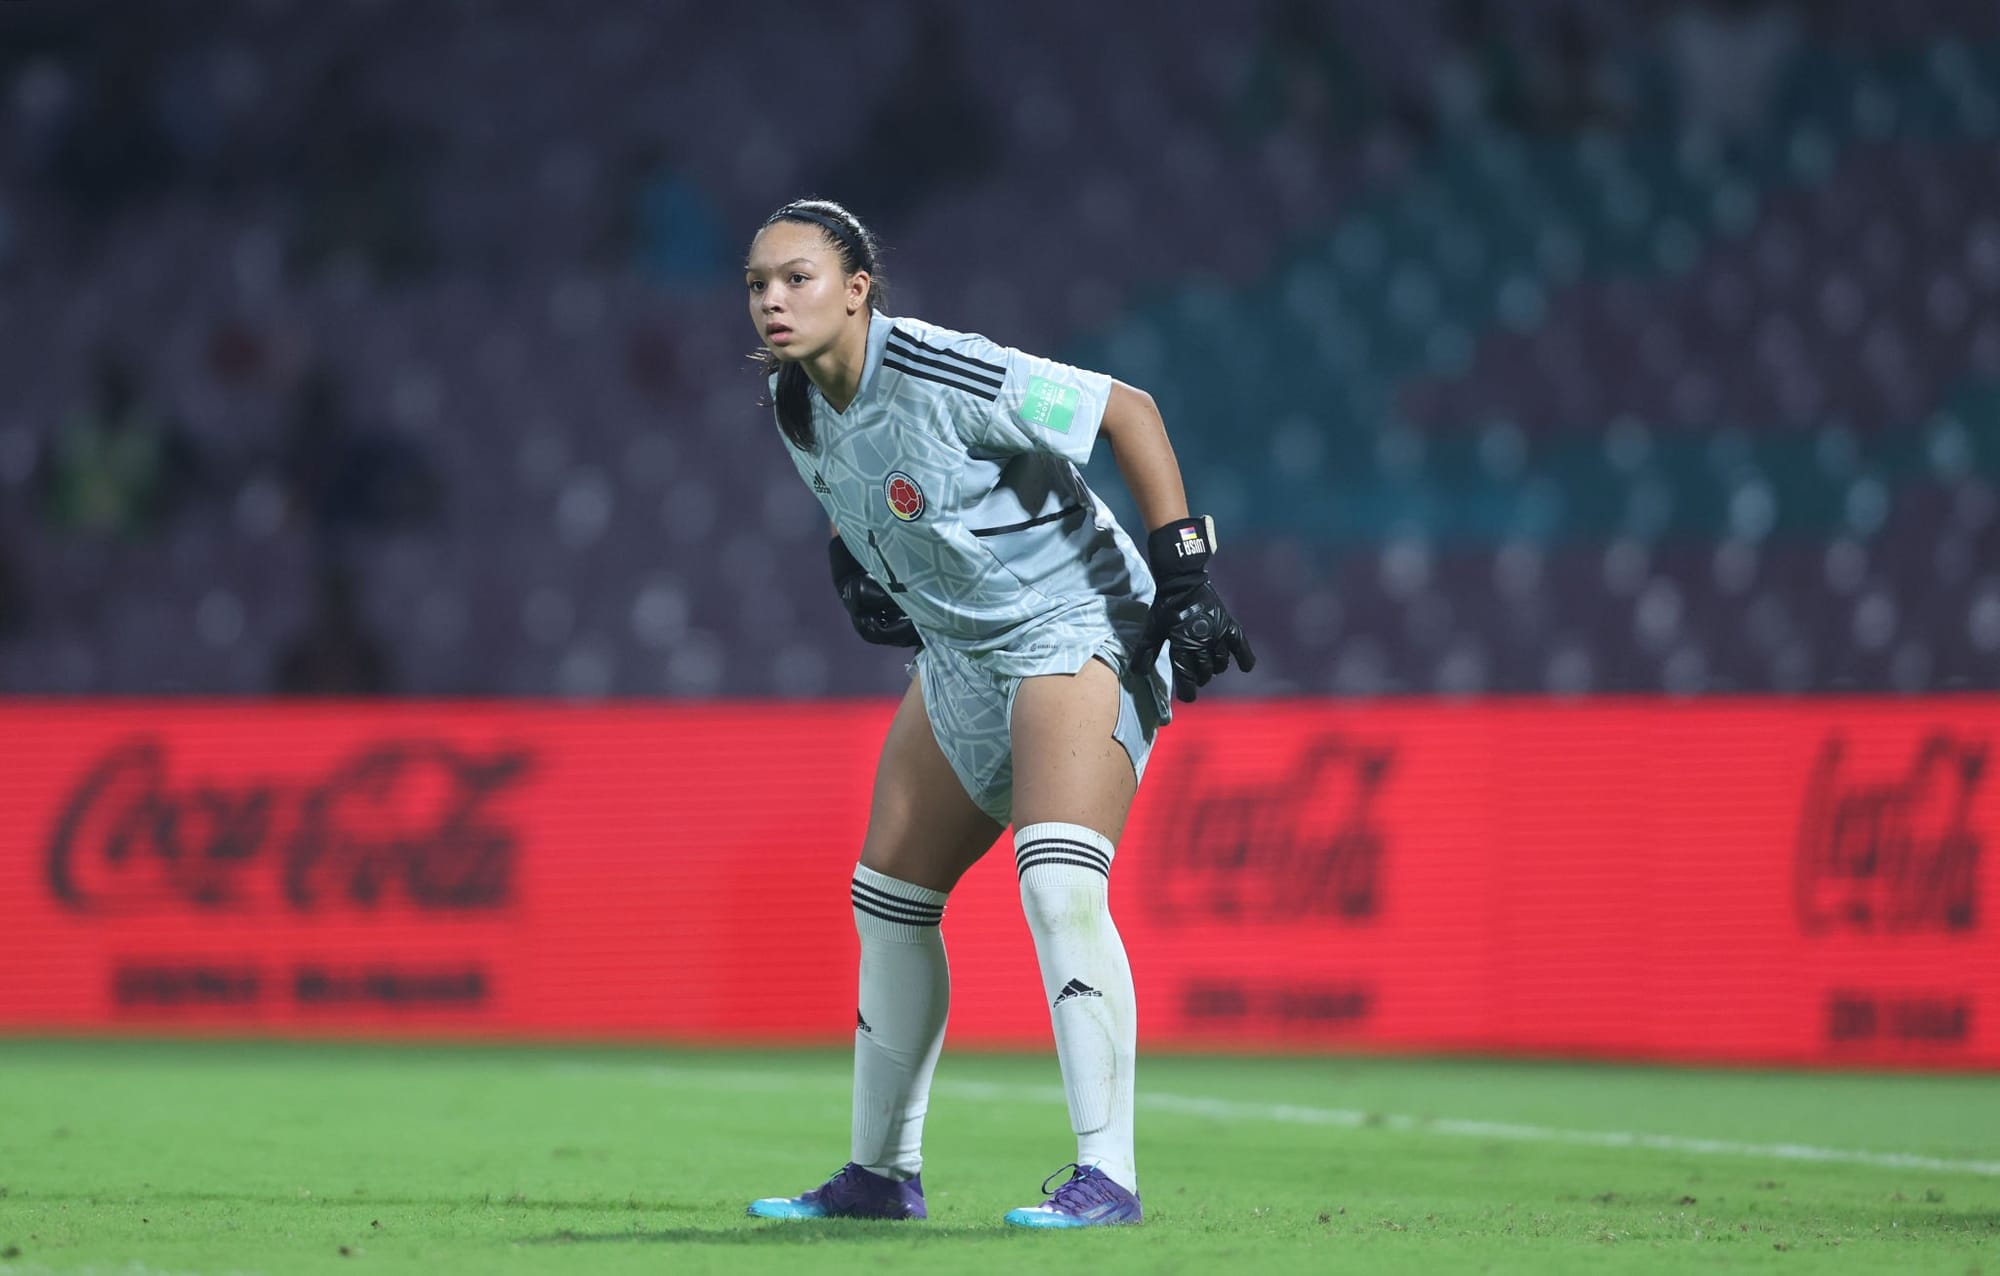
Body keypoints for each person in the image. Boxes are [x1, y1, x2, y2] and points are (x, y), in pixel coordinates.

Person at [739, 199, 1254, 1229]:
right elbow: (861, 495)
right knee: (888, 897)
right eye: (757, 284)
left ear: (858, 289)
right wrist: (856, 566)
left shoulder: (940, 370)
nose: (772, 300)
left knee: (1058, 879)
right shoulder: (794, 401)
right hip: (963, 656)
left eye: (797, 278)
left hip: (1075, 624)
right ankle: (881, 1176)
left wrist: (1186, 578)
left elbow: (1130, 412)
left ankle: (1108, 1177)